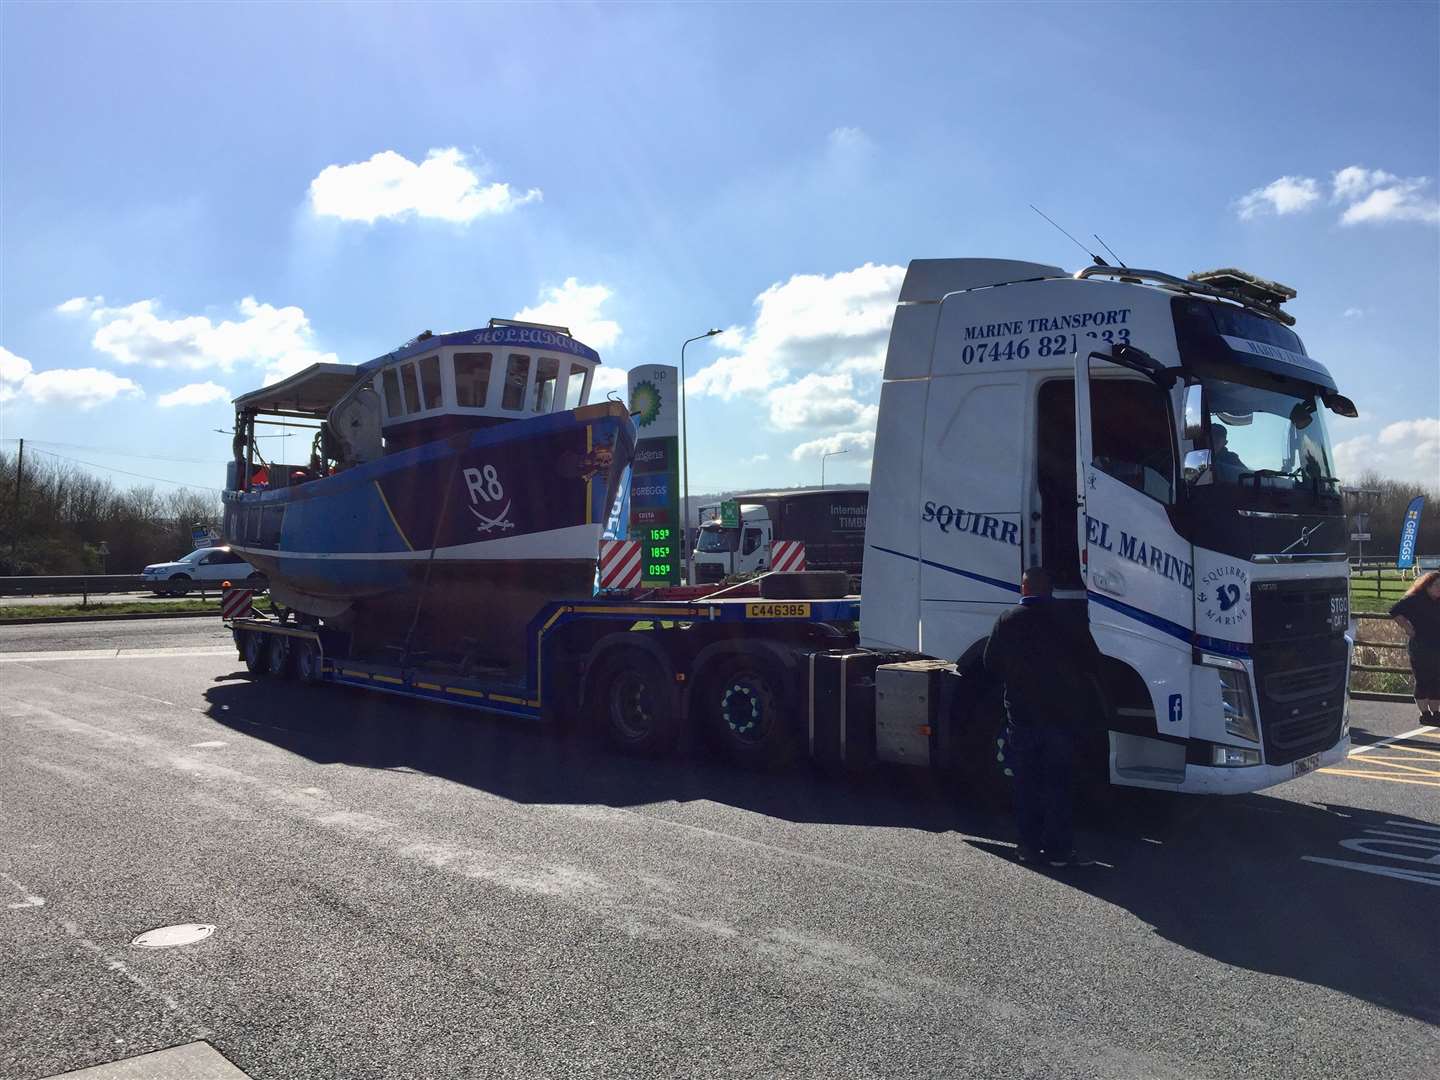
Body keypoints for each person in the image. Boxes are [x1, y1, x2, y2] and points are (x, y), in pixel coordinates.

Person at [984, 566, 1102, 867]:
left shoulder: (1007, 620)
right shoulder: (1068, 618)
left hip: (1022, 717)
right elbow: (1091, 661)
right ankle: (1060, 852)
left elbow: (990, 664)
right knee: (1058, 785)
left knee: (1026, 784)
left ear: (1023, 589)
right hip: (1061, 716)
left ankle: (1027, 847)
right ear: (1049, 590)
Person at [1390, 570, 1440, 719]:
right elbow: (1394, 611)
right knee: (1423, 678)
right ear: (1427, 586)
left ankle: (1436, 712)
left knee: (1437, 679)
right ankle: (1424, 713)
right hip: (1420, 646)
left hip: (1437, 645)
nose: (1439, 589)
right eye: (1437, 585)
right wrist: (1407, 628)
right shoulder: (1415, 599)